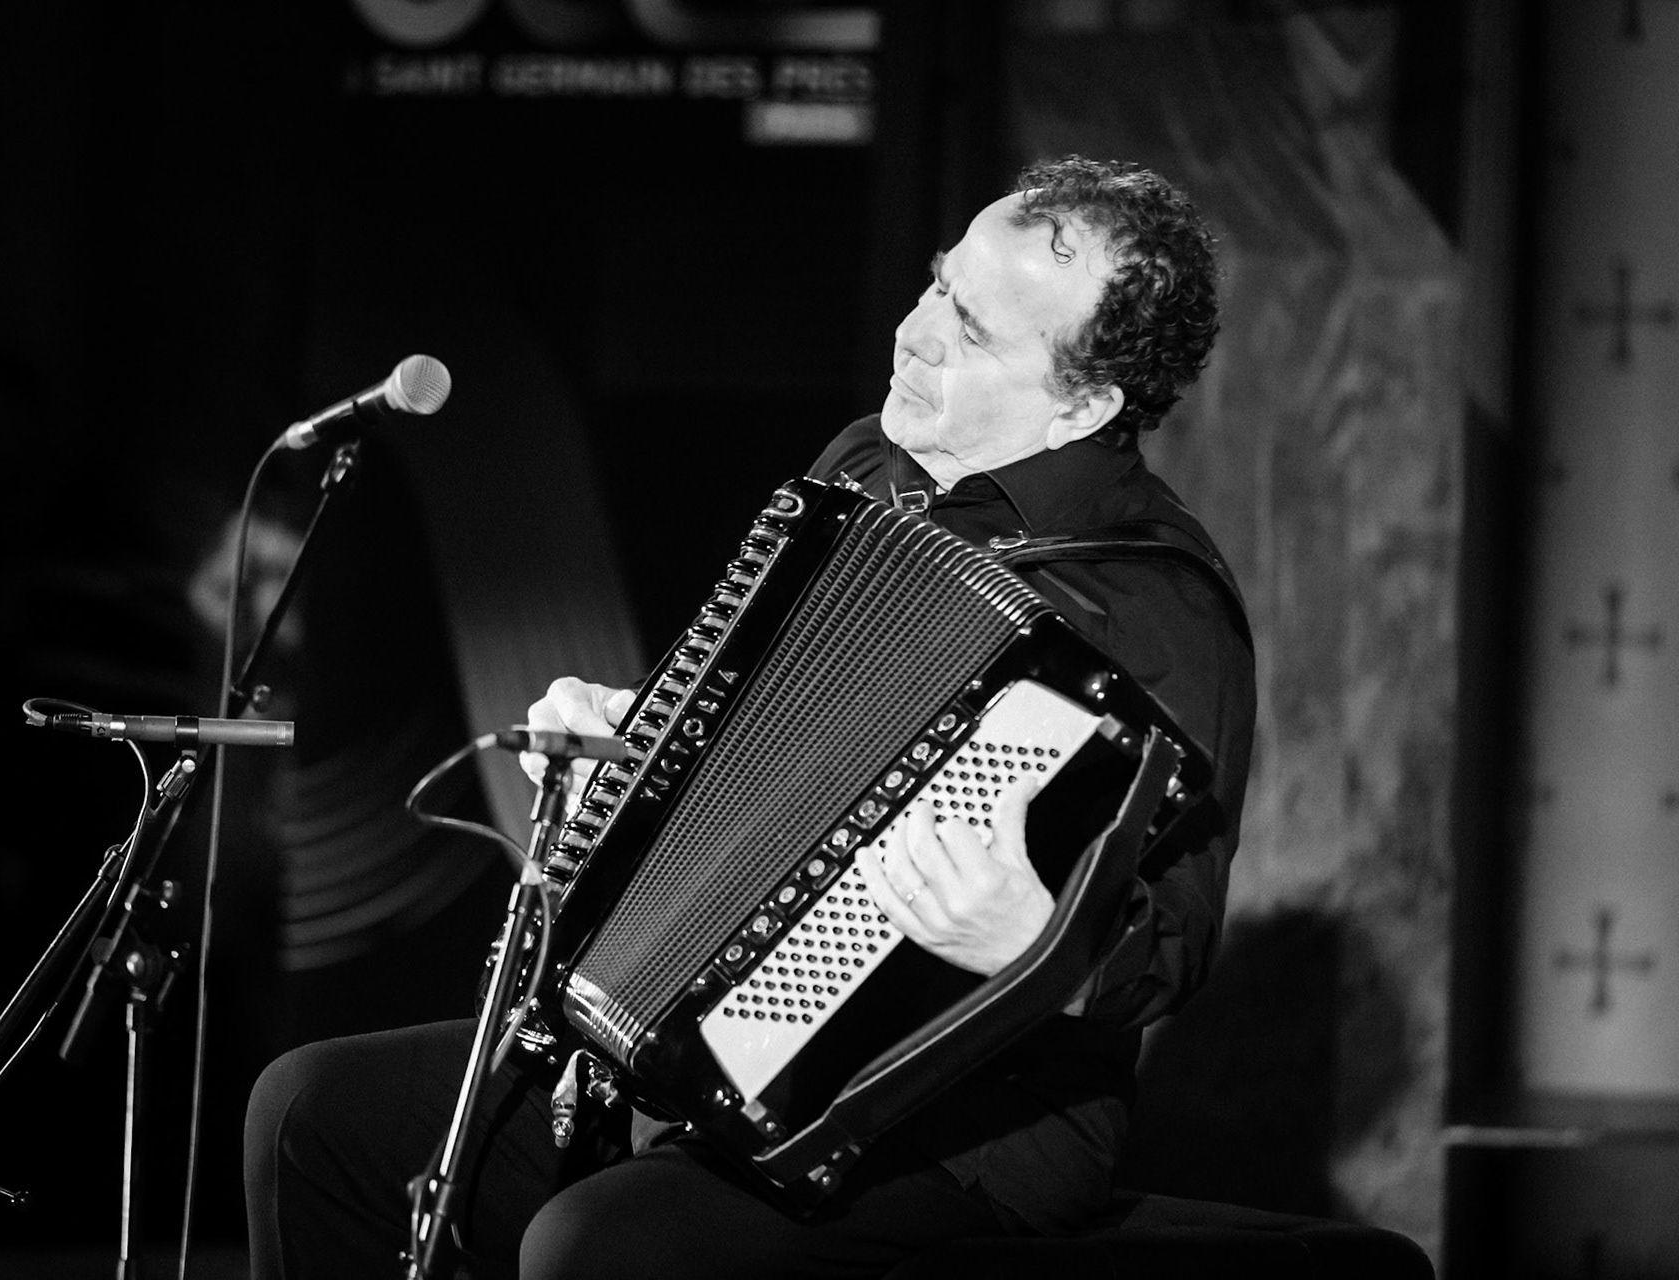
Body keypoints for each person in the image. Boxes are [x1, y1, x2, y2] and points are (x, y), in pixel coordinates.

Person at [244, 155, 1256, 1280]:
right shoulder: (863, 465)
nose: (916, 333)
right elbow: (753, 737)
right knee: (314, 1113)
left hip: (958, 1118)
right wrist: (631, 741)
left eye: (972, 332)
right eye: (936, 284)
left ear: (1086, 404)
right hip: (692, 1051)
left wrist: (1041, 941)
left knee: (598, 1245)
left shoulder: (1152, 603)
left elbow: (1179, 941)